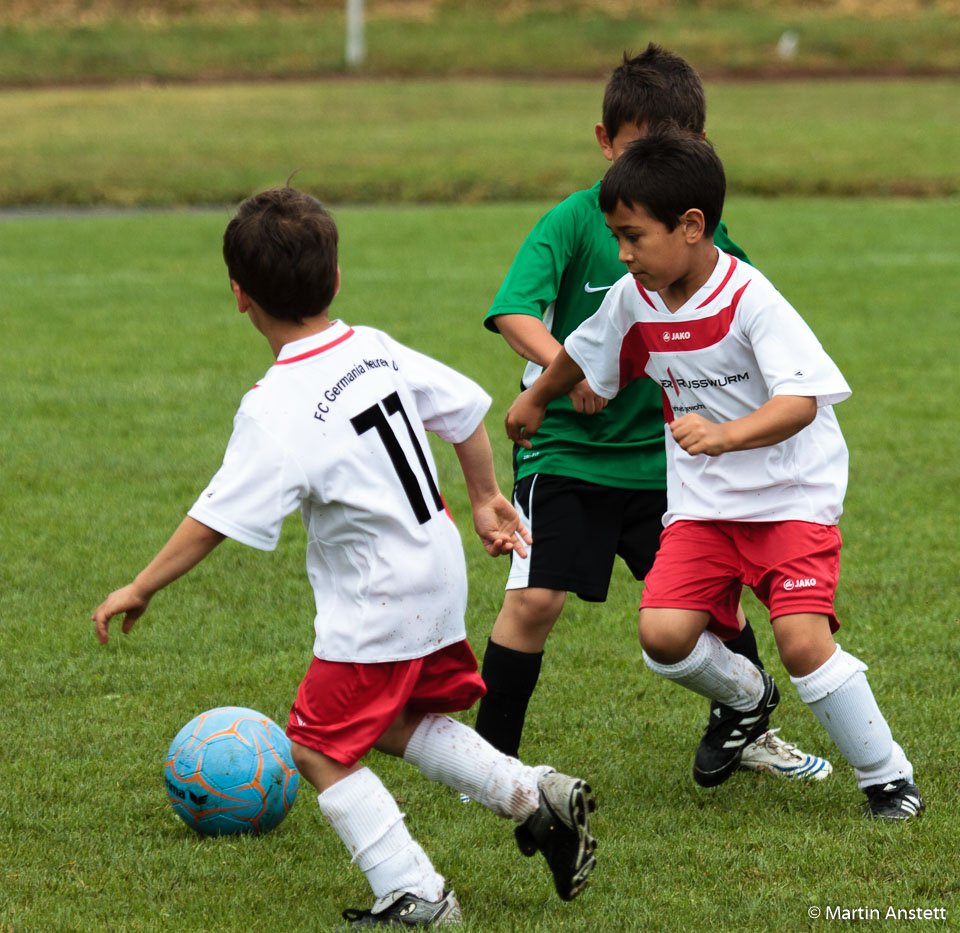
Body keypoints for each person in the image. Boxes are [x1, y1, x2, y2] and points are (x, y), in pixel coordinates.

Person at [92, 187, 598, 927]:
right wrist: (487, 495)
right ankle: (533, 795)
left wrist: (141, 584)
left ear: (239, 295)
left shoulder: (277, 403)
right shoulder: (371, 345)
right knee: (395, 721)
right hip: (436, 563)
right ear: (334, 279)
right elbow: (463, 409)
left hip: (378, 594)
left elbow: (213, 518)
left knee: (316, 745)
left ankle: (415, 890)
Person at [504, 131, 924, 821]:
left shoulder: (749, 297)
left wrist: (725, 434)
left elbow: (801, 400)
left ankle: (886, 776)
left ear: (692, 226)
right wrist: (538, 396)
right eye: (615, 237)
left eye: (634, 237)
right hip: (705, 507)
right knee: (664, 637)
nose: (622, 254)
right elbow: (583, 351)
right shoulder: (636, 297)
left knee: (802, 641)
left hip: (791, 498)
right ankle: (747, 695)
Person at [476, 43, 831, 786]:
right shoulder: (578, 221)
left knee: (713, 606)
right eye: (641, 147)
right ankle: (488, 762)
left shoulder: (707, 241)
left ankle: (750, 724)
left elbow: (750, 328)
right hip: (568, 450)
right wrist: (561, 374)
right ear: (607, 144)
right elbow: (513, 308)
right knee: (536, 597)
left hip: (668, 457)